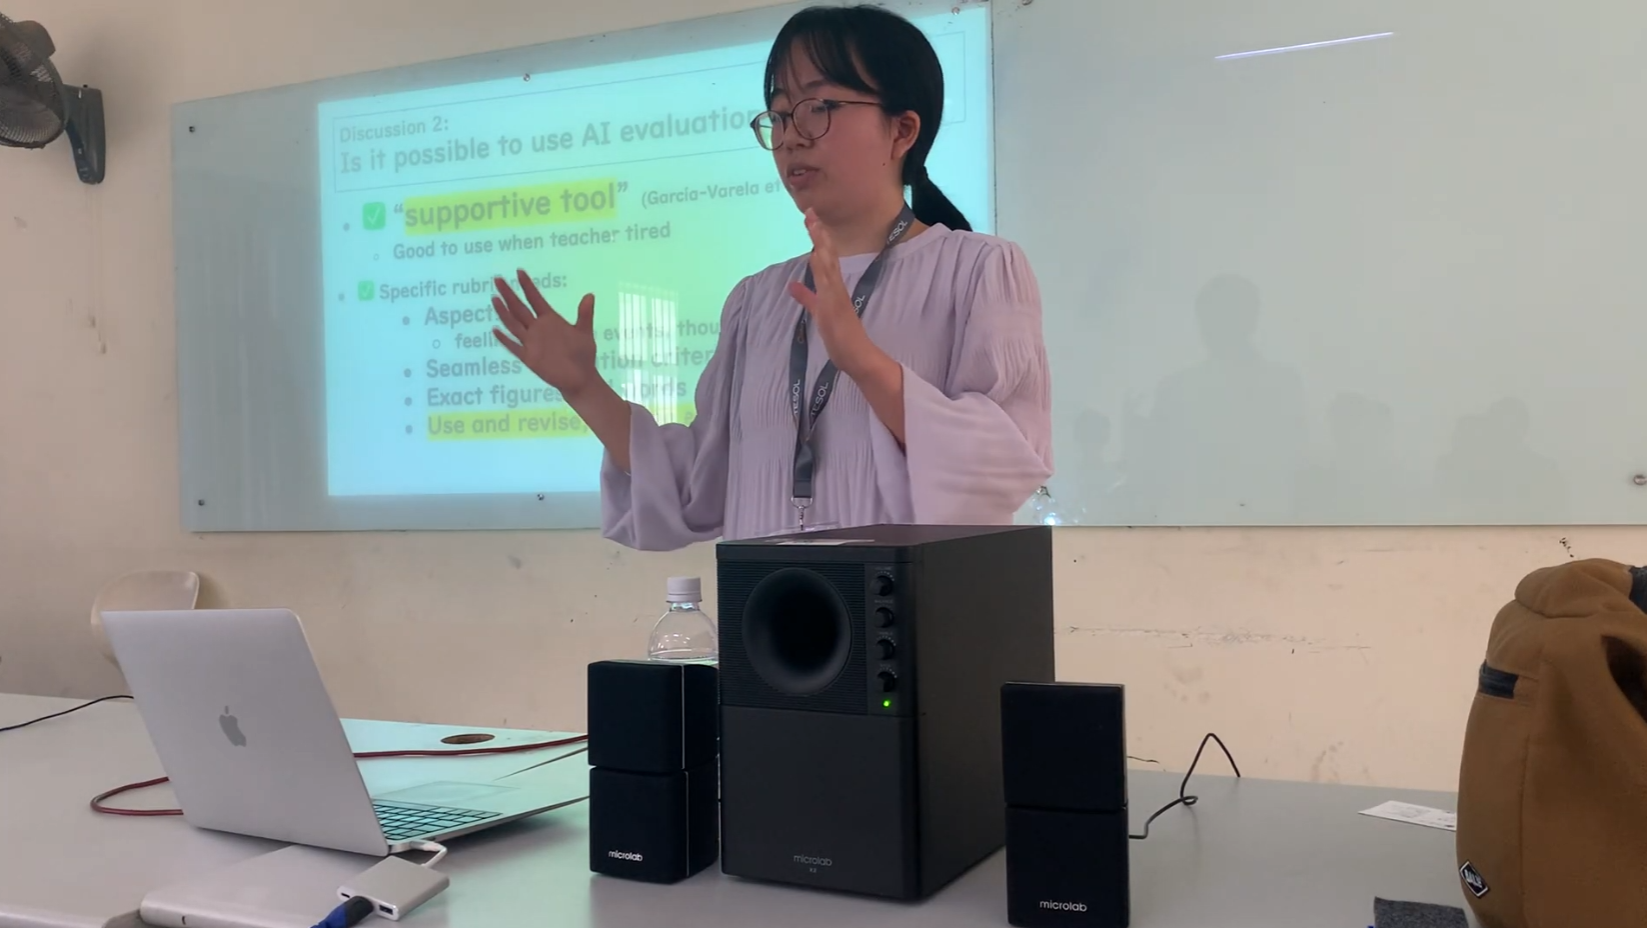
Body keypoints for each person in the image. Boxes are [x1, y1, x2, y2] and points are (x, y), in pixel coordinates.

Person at [489, 5, 1052, 551]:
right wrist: (584, 387)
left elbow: (1005, 464)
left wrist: (863, 360)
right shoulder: (756, 299)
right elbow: (698, 486)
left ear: (901, 130)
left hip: (905, 608)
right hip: (769, 607)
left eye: (818, 107)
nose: (791, 137)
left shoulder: (978, 270)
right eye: (780, 115)